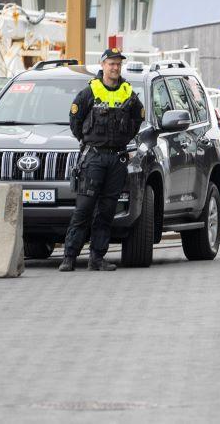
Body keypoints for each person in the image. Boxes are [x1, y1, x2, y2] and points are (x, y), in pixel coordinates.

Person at [60, 48, 144, 272]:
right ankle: (69, 256)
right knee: (84, 208)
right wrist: (88, 142)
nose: (115, 67)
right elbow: (75, 120)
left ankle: (97, 257)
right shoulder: (90, 92)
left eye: (118, 64)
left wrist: (124, 139)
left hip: (116, 159)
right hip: (94, 158)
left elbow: (138, 119)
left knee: (107, 211)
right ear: (103, 65)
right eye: (111, 63)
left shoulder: (128, 93)